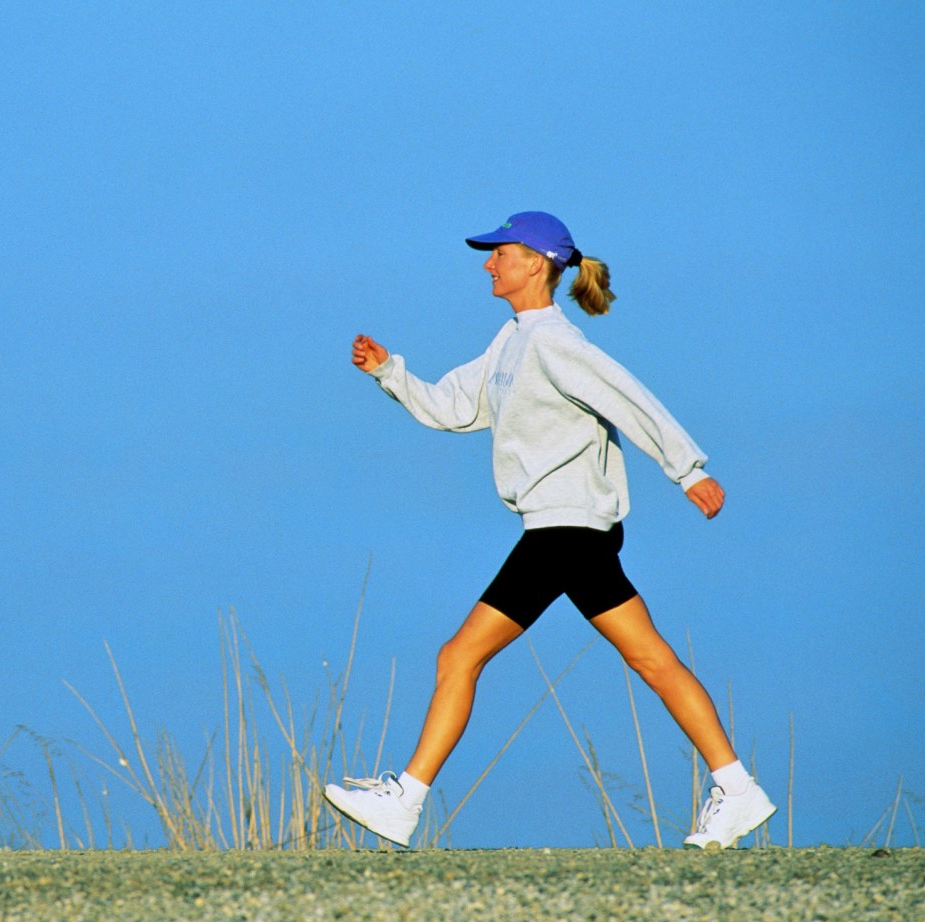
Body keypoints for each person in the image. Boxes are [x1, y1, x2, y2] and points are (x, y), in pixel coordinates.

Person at [324, 211, 774, 850]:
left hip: (564, 527)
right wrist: (389, 372)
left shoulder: (555, 343)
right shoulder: (510, 342)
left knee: (460, 655)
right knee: (650, 658)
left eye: (499, 253)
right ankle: (737, 788)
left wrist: (688, 470)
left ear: (536, 262)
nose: (488, 263)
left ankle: (406, 798)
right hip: (572, 529)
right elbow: (456, 407)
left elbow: (630, 398)